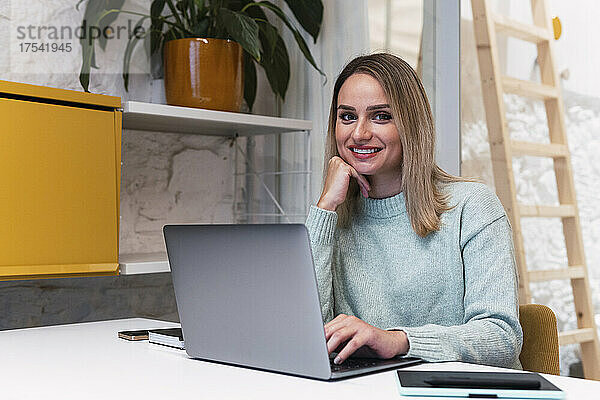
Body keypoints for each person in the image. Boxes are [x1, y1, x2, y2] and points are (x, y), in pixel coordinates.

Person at [305, 53, 522, 369]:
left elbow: (501, 338)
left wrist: (398, 341)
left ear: (411, 123)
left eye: (381, 116)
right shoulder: (333, 219)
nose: (359, 134)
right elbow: (309, 336)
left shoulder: (473, 206)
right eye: (347, 117)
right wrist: (325, 209)